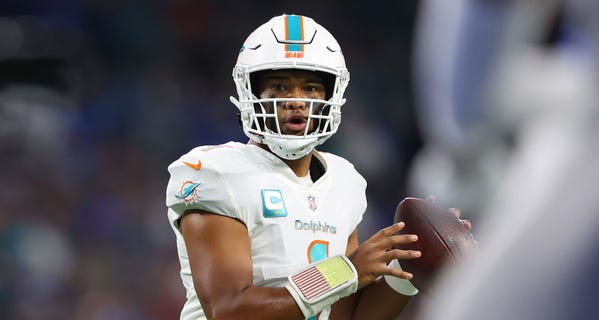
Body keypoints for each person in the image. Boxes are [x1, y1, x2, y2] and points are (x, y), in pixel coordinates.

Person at [165, 14, 468, 320]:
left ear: (330, 96)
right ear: (251, 92)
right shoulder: (216, 172)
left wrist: (410, 265)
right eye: (280, 86)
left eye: (311, 88)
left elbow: (344, 316)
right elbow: (229, 310)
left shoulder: (344, 181)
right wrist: (345, 270)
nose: (296, 100)